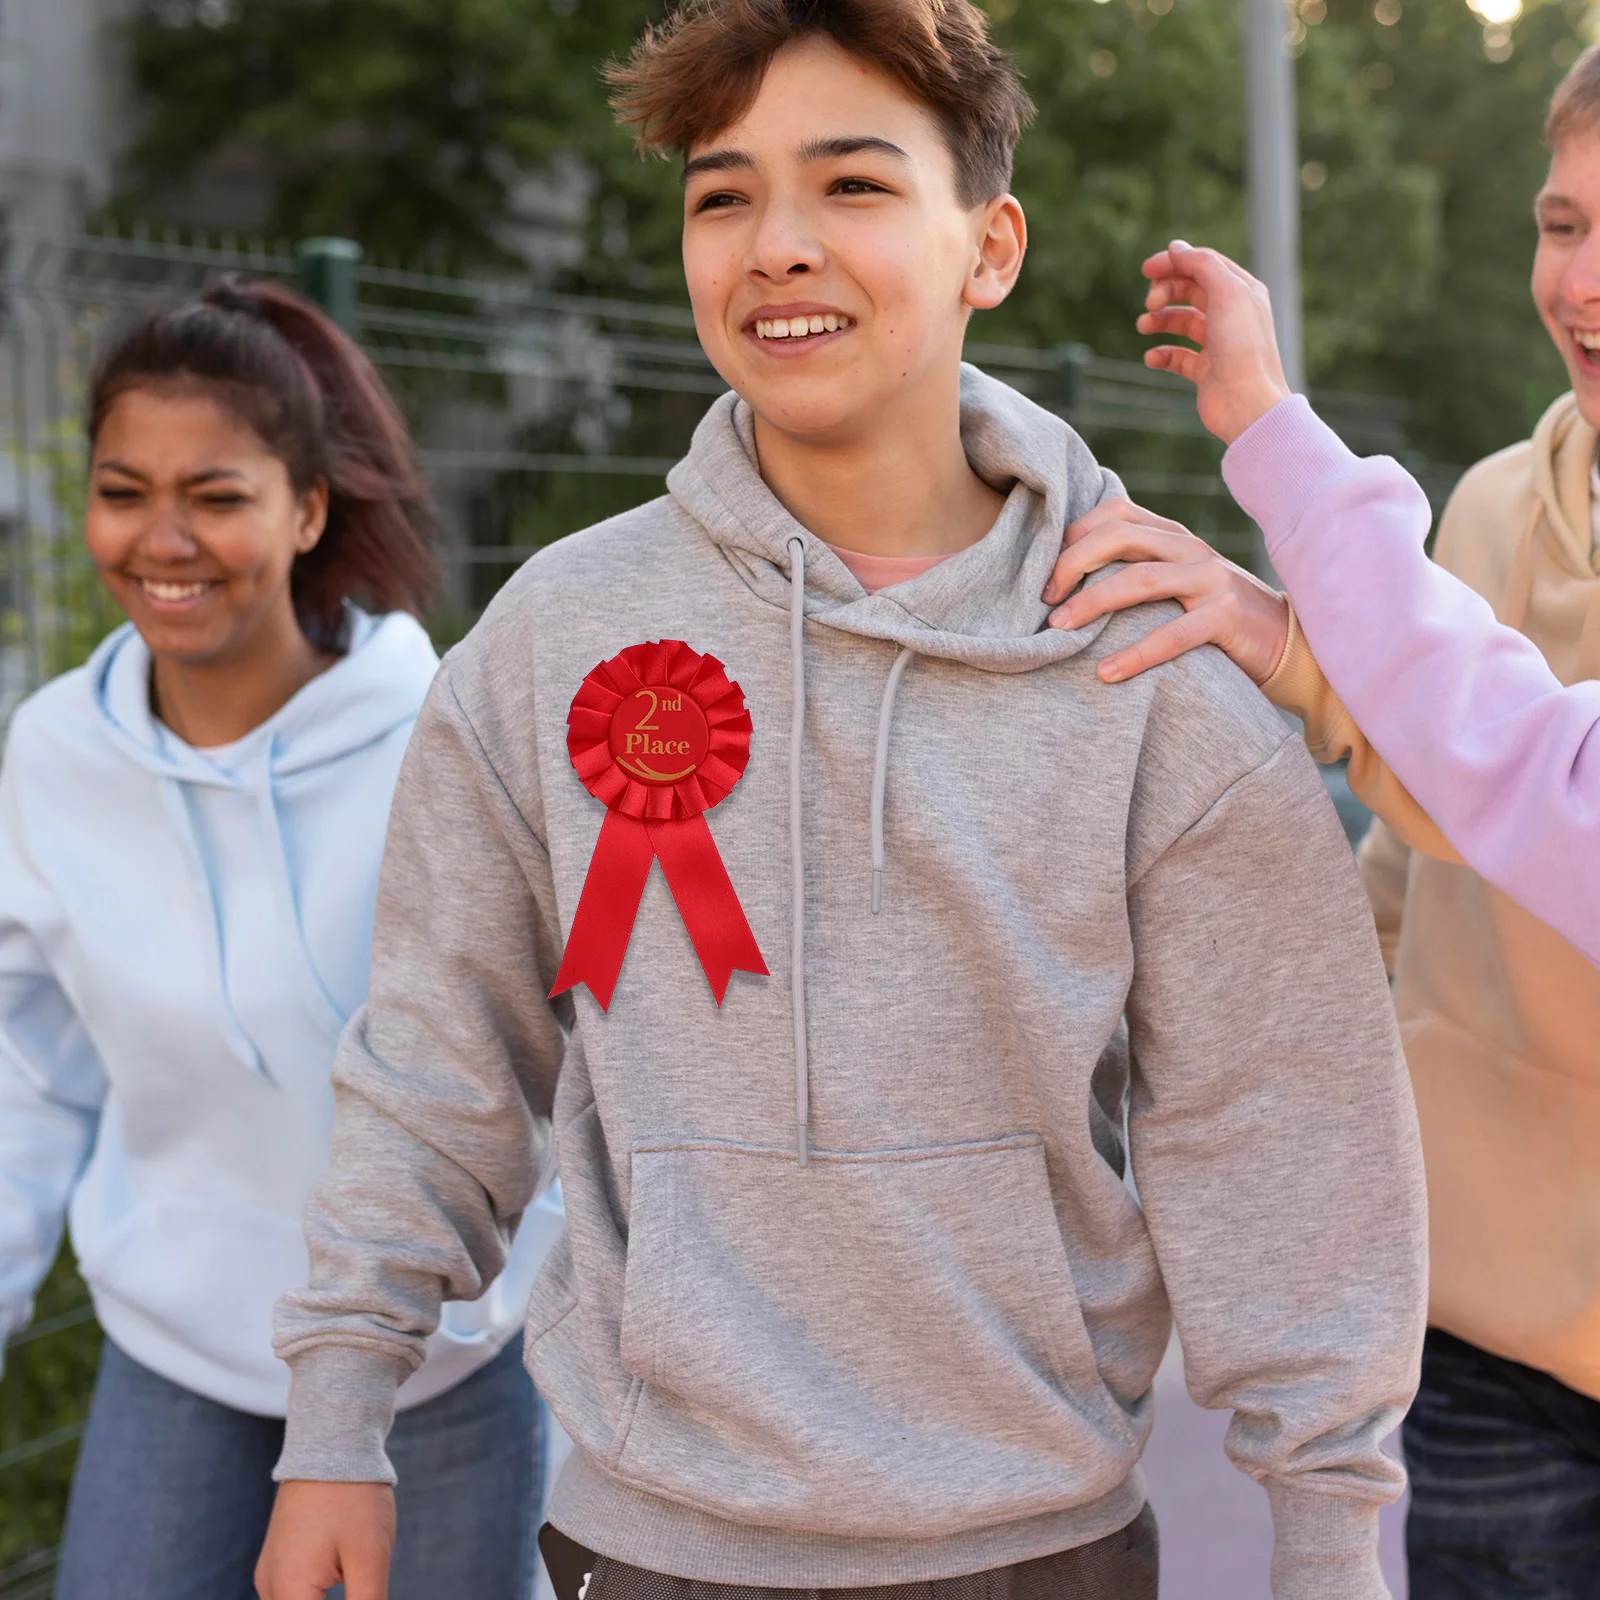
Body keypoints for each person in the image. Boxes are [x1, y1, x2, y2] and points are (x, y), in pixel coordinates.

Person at [257, 4, 1426, 1598]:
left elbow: (1274, 1125)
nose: (776, 246)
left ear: (990, 247)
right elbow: (440, 1054)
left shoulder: (1152, 660)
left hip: (1039, 1548)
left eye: (854, 187)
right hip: (650, 1540)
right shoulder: (557, 636)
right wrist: (340, 1413)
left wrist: (1329, 1531)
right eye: (723, 196)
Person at [1040, 47, 1600, 1595]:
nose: (1586, 278)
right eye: (1562, 223)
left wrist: (1274, 450)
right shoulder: (1489, 508)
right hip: (1491, 1338)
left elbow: (1536, 778)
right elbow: (1431, 827)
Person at [0, 280, 557, 1600]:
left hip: (440, 1363)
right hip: (184, 1353)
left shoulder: (449, 745)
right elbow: (28, 1068)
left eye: (218, 494)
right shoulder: (52, 757)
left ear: (309, 510)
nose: (163, 538)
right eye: (124, 490)